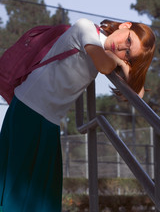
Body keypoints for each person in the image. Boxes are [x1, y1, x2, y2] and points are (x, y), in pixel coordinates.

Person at [0, 18, 155, 212]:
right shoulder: (85, 28)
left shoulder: (107, 53)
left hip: (49, 123)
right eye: (129, 40)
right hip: (27, 110)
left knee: (43, 201)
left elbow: (137, 93)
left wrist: (128, 66)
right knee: (15, 195)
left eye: (128, 53)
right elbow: (104, 66)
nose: (122, 47)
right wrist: (120, 61)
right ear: (125, 25)